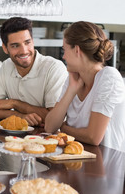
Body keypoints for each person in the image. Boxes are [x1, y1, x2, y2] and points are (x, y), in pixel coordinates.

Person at [45, 21, 125, 152]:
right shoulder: (73, 77)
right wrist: (71, 90)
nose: (63, 56)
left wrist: (63, 128)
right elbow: (49, 127)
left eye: (64, 50)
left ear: (77, 50)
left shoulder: (109, 77)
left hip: (105, 166)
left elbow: (93, 137)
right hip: (76, 159)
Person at [0, 17, 68, 126]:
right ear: (5, 48)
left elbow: (55, 118)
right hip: (19, 136)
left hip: (50, 139)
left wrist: (15, 103)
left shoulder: (54, 68)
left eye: (27, 42)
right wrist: (20, 117)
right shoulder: (7, 66)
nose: (24, 51)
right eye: (15, 45)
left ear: (33, 41)